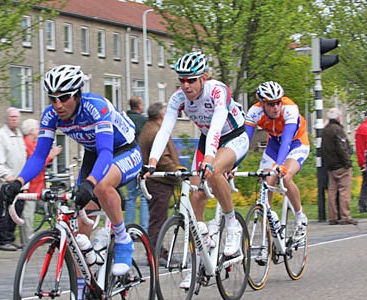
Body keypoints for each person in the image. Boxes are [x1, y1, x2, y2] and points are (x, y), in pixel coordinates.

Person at [1, 65, 140, 280]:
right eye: (52, 99)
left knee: (101, 185)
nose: (58, 105)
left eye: (64, 98)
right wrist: (18, 182)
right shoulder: (51, 115)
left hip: (123, 149)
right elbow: (39, 156)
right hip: (94, 154)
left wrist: (90, 183)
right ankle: (84, 285)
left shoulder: (95, 107)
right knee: (79, 229)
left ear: (77, 94)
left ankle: (123, 240)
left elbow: (105, 151)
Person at [145, 51, 249, 289]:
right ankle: (201, 255)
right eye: (181, 80)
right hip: (206, 141)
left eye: (191, 79)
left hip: (232, 137)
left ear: (204, 77)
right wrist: (151, 162)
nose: (186, 85)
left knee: (212, 172)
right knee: (196, 193)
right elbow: (164, 131)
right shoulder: (177, 98)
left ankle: (231, 224)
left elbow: (216, 127)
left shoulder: (217, 91)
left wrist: (210, 160)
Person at [245, 81, 309, 239]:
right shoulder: (254, 111)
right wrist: (232, 166)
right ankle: (268, 241)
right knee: (265, 183)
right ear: (262, 103)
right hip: (274, 144)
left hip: (296, 142)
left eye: (278, 102)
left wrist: (279, 165)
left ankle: (300, 216)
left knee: (285, 177)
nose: (276, 107)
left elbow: (287, 140)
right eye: (271, 104)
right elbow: (244, 141)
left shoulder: (290, 109)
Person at [138, 102, 180, 252]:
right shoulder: (155, 131)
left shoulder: (151, 128)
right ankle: (155, 252)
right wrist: (177, 173)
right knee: (158, 219)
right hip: (159, 181)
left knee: (157, 217)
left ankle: (155, 250)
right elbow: (162, 159)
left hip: (157, 181)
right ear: (161, 115)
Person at [0, 107, 27, 251]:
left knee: (17, 210)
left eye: (16, 117)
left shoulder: (19, 135)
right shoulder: (0, 136)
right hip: (5, 183)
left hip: (19, 182)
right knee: (5, 211)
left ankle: (11, 237)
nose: (14, 119)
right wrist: (7, 176)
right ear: (7, 118)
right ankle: (4, 240)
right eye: (11, 117)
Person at [20, 119, 62, 245]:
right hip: (31, 186)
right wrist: (52, 155)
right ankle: (27, 241)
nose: (39, 131)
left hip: (37, 185)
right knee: (28, 214)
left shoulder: (33, 142)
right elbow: (37, 162)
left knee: (42, 209)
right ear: (31, 131)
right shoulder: (27, 143)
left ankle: (33, 237)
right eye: (37, 129)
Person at [321, 108, 358, 225]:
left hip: (330, 166)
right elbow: (341, 148)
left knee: (332, 191)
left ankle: (333, 217)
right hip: (341, 165)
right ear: (338, 117)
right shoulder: (338, 130)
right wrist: (347, 162)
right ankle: (345, 216)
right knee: (344, 191)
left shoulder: (325, 131)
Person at [124, 96, 149, 231]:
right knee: (144, 196)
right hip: (140, 161)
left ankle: (128, 228)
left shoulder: (124, 119)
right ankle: (143, 229)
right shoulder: (144, 121)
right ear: (139, 107)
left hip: (126, 163)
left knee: (130, 196)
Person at [355, 110, 367, 213]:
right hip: (365, 161)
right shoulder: (364, 129)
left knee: (365, 183)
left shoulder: (361, 128)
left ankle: (363, 205)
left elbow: (359, 148)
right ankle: (363, 204)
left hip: (364, 161)